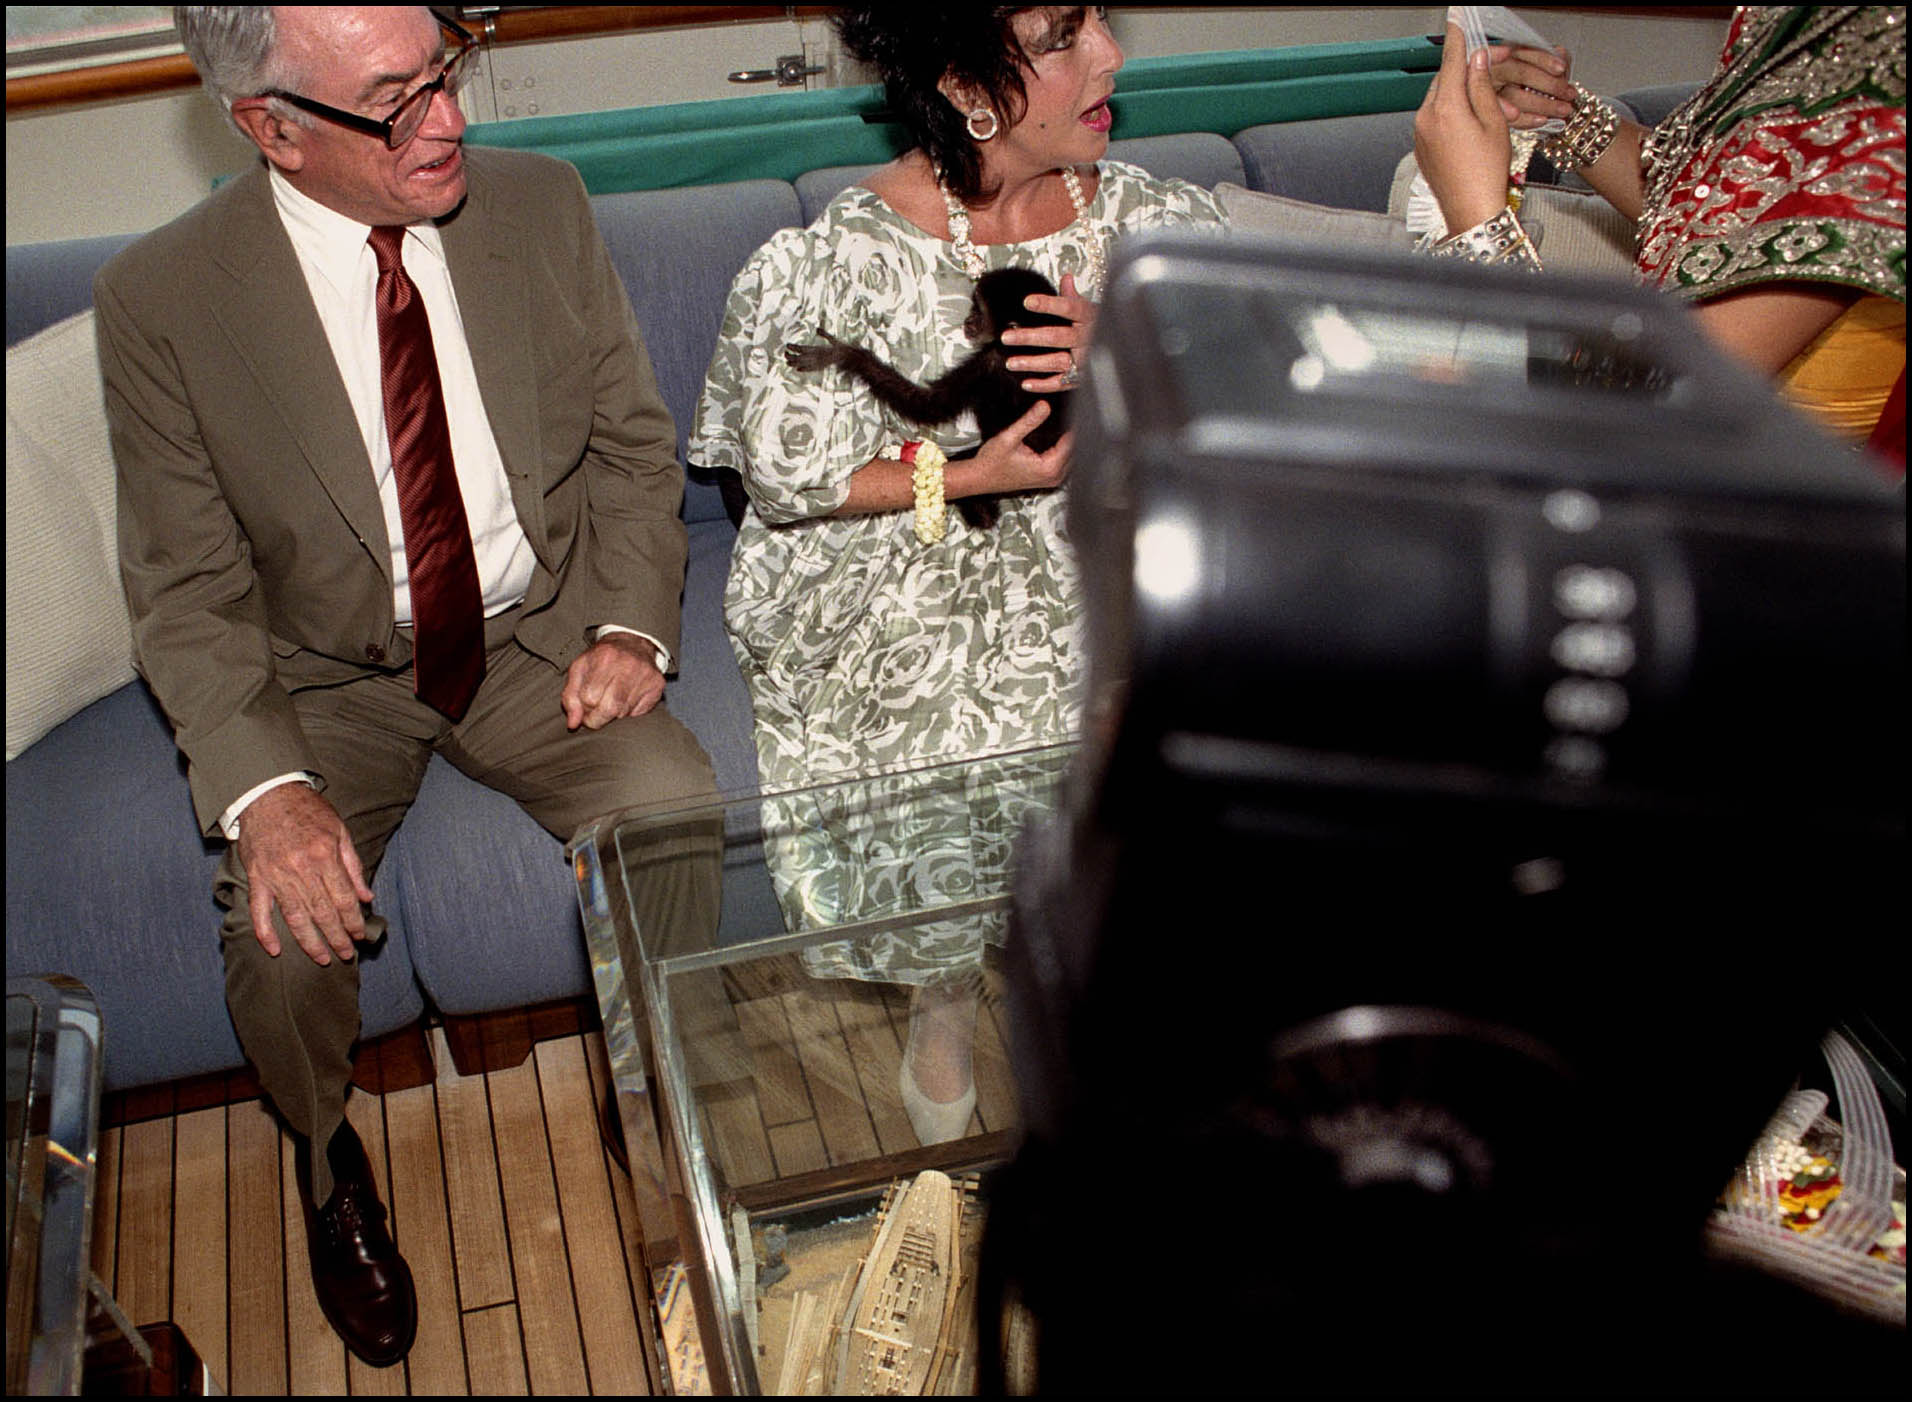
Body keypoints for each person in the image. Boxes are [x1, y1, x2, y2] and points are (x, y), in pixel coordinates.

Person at [98, 6, 716, 1367]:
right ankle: (327, 1160)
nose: (450, 120)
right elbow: (187, 590)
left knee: (670, 794)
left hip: (534, 631)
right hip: (322, 677)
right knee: (277, 937)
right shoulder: (165, 301)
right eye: (397, 100)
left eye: (446, 69)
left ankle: (657, 1080)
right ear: (274, 127)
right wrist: (266, 788)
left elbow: (629, 447)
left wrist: (631, 627)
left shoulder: (541, 208)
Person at [689, 5, 1223, 1145]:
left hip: (1131, 533)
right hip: (933, 557)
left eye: (1100, 24)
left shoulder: (1158, 221)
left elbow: (1262, 402)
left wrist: (1136, 342)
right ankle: (945, 1006)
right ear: (966, 87)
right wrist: (973, 472)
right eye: (1061, 38)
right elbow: (794, 477)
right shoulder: (835, 260)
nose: (1110, 60)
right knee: (994, 727)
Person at [1412, 8, 1906, 465]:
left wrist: (1478, 223)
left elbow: (1628, 423)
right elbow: (1737, 195)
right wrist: (1566, 116)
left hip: (1757, 517)